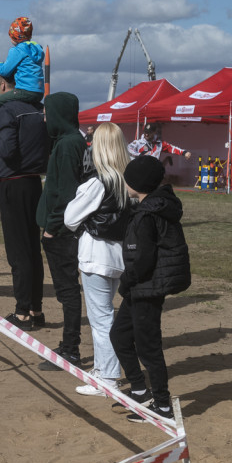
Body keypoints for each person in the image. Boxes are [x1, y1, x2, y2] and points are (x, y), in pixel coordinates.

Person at [110, 156, 191, 422]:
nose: (125, 182)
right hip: (140, 287)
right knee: (120, 336)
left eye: (128, 178)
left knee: (148, 348)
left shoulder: (147, 214)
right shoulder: (150, 207)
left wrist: (126, 282)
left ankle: (163, 407)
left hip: (146, 288)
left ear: (137, 184)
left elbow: (141, 260)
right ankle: (139, 389)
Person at [63, 123, 132, 396]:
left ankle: (108, 379)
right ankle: (104, 370)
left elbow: (69, 218)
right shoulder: (127, 180)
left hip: (96, 257)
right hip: (118, 256)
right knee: (105, 316)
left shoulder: (97, 182)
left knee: (101, 318)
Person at [0, 73, 50, 329]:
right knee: (33, 249)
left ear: (3, 84)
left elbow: (5, 149)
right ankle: (35, 309)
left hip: (13, 182)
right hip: (33, 181)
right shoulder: (37, 109)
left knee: (18, 251)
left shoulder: (6, 109)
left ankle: (22, 311)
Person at [37, 91, 88, 369]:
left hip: (62, 232)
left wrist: (53, 228)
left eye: (47, 112)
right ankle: (68, 344)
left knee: (67, 291)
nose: (45, 117)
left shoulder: (69, 144)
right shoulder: (65, 142)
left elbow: (66, 194)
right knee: (64, 291)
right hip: (58, 229)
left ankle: (71, 349)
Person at [0, 16, 45, 118]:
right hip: (39, 92)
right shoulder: (36, 49)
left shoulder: (17, 50)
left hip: (25, 90)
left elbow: (5, 71)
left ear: (15, 36)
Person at [127, 122, 192, 163]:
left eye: (149, 133)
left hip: (152, 172)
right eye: (145, 132)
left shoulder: (159, 144)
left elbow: (172, 148)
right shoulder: (138, 143)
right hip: (139, 171)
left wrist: (184, 152)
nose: (146, 135)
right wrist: (140, 155)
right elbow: (128, 149)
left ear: (154, 132)